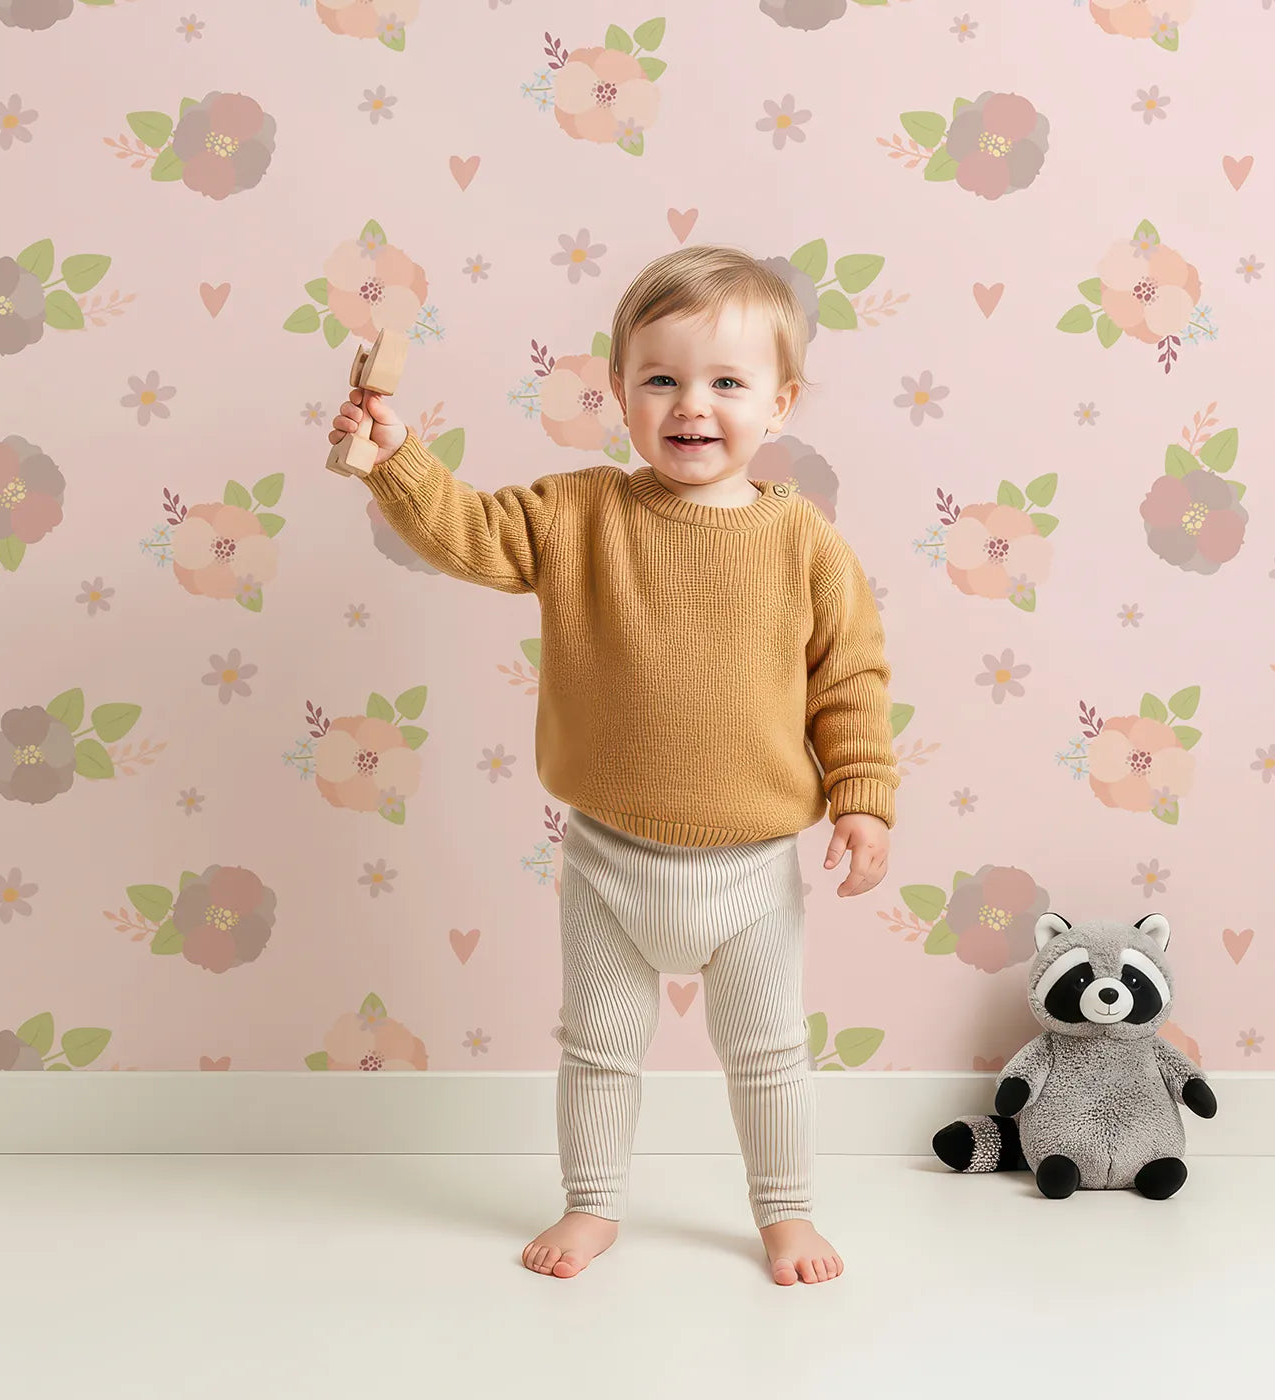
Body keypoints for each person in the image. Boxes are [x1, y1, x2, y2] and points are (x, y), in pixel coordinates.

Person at [328, 244, 899, 1287]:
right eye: (662, 378)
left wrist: (861, 800)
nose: (693, 404)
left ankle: (785, 1212)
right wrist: (396, 454)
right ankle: (590, 1202)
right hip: (605, 858)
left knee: (767, 1054)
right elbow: (467, 533)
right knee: (596, 1047)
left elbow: (848, 680)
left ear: (780, 402)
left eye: (727, 381)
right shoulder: (580, 512)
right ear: (620, 392)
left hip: (752, 868)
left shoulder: (805, 545)